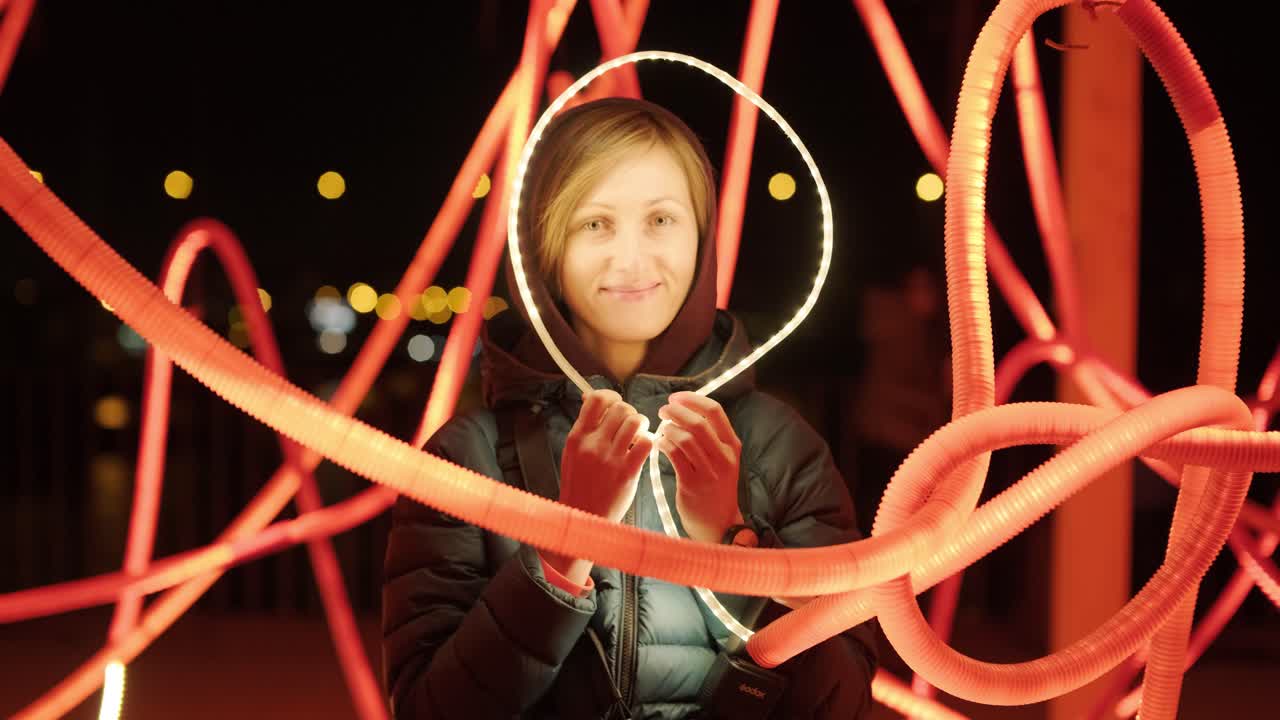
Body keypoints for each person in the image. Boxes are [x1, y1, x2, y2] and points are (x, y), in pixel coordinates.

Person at [382, 97, 879, 719]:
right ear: (543, 251)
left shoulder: (781, 448)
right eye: (594, 224)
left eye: (662, 220)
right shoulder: (464, 461)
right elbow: (429, 710)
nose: (632, 259)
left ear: (703, 235)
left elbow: (842, 704)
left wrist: (731, 544)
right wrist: (563, 547)